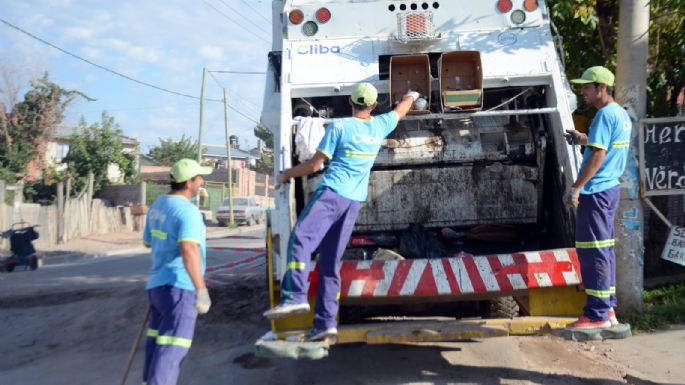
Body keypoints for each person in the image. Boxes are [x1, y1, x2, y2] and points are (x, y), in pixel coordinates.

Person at [263, 82, 418, 341]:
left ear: (350, 101)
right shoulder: (380, 126)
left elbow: (315, 166)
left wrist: (286, 174)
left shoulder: (339, 127)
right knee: (330, 261)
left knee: (301, 238)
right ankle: (324, 323)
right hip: (353, 202)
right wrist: (411, 94)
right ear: (374, 105)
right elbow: (402, 109)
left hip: (332, 193)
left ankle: (295, 297)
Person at [564, 66, 631, 329]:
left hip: (596, 192)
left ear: (602, 88)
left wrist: (576, 187)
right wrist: (583, 138)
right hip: (609, 190)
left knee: (593, 252)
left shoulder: (604, 115)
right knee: (603, 250)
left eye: (587, 87)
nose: (583, 92)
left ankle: (596, 314)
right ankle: (608, 311)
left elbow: (599, 155)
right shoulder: (620, 114)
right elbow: (603, 145)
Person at [142, 158, 213, 385]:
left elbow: (147, 241)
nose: (202, 181)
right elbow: (188, 248)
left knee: (157, 345)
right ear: (189, 182)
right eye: (199, 177)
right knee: (173, 349)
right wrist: (201, 289)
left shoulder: (158, 205)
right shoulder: (188, 212)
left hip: (157, 288)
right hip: (180, 288)